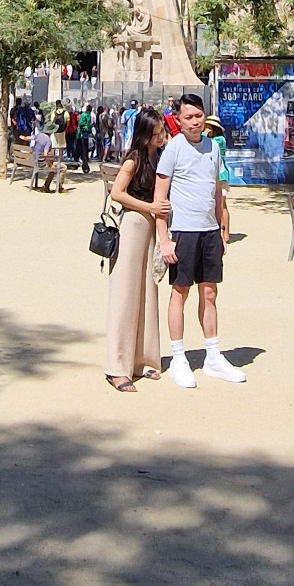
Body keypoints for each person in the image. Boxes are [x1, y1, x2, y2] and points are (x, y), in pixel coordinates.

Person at [154, 91, 241, 387]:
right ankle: (178, 356)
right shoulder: (173, 150)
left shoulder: (213, 148)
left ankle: (213, 354)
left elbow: (217, 191)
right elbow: (159, 199)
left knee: (210, 292)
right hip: (183, 232)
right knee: (180, 291)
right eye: (188, 117)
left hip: (208, 231)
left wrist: (221, 228)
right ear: (178, 119)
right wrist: (164, 240)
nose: (194, 122)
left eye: (198, 116)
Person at [103, 107, 166, 390]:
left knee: (147, 292)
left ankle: (143, 359)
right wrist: (149, 207)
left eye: (162, 130)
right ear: (145, 134)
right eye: (156, 133)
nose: (161, 136)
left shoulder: (160, 158)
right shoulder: (134, 159)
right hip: (132, 226)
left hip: (150, 227)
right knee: (125, 294)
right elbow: (117, 193)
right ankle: (117, 366)